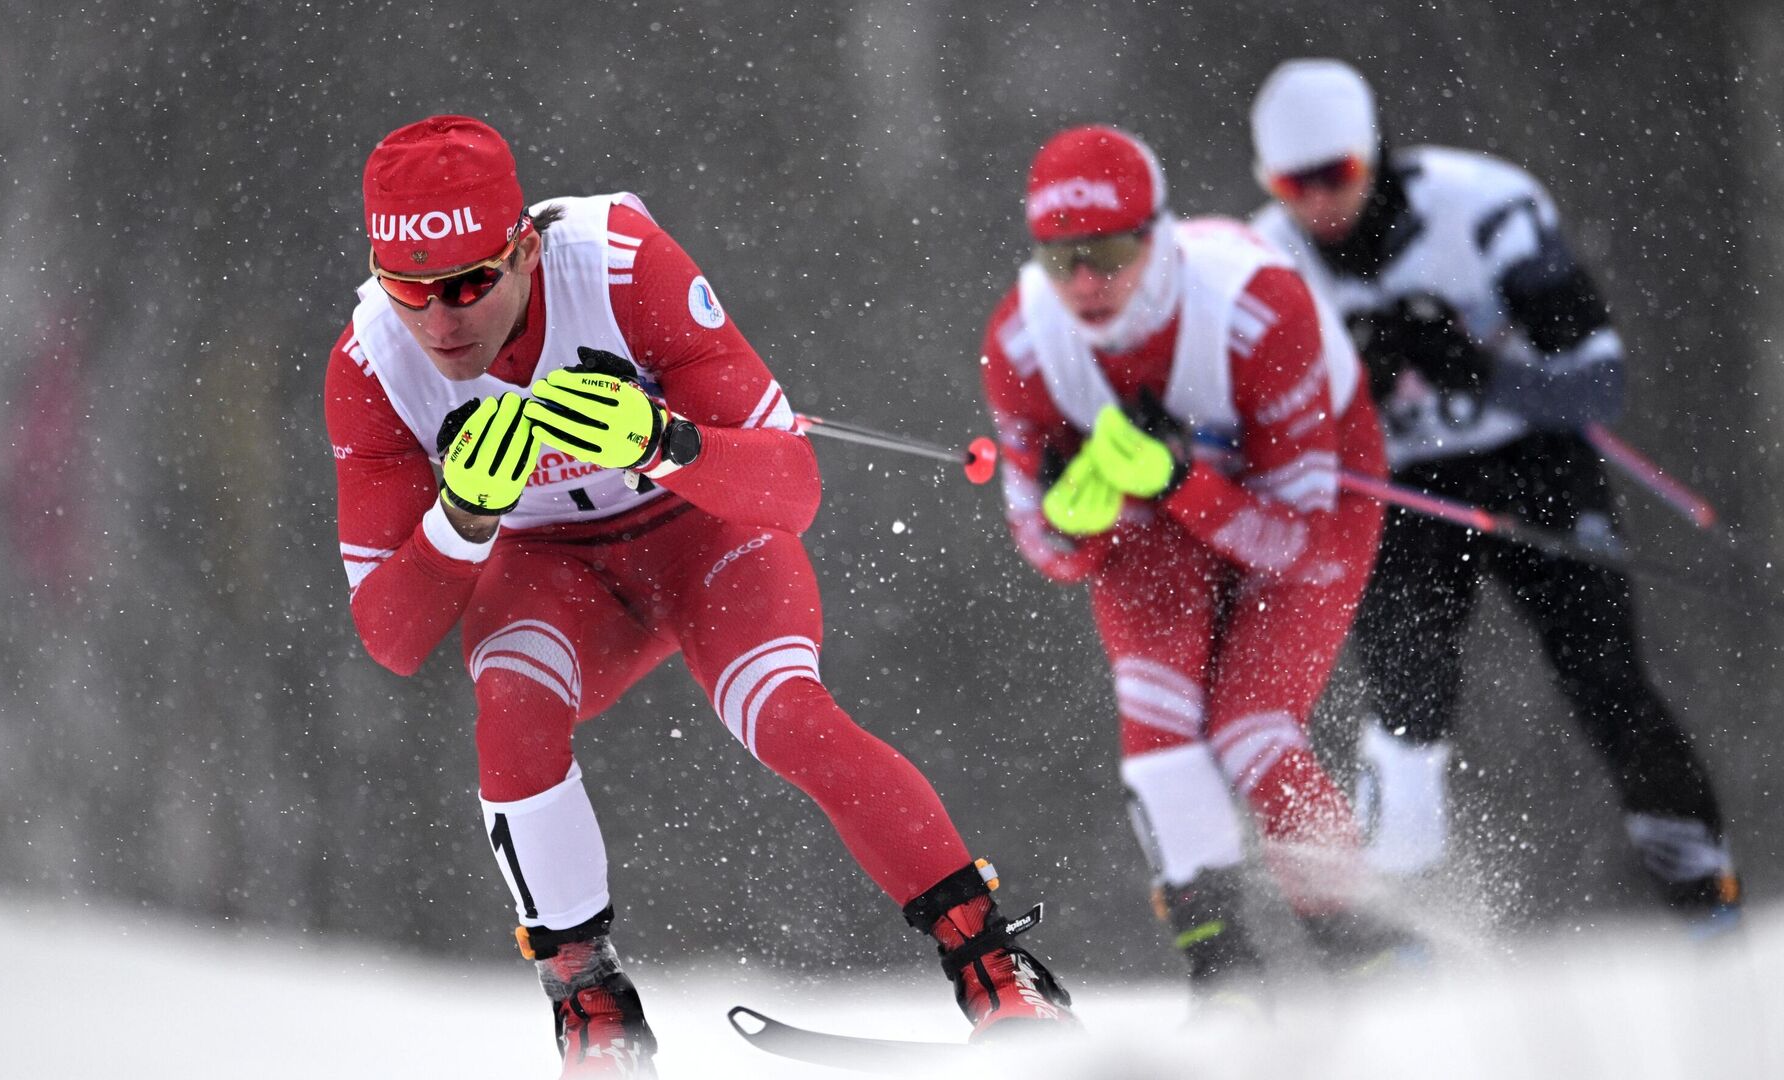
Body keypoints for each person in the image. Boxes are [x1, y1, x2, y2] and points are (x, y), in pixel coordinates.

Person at [326, 115, 1074, 1077]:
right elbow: (390, 638)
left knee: (789, 717)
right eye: (411, 292)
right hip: (556, 576)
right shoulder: (370, 366)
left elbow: (793, 488)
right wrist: (459, 519)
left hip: (704, 544)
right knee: (509, 718)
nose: (442, 322)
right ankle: (591, 1005)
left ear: (524, 247)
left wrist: (664, 442)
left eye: (470, 283)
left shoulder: (621, 267)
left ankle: (995, 966)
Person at [1247, 59, 1741, 926]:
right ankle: (1397, 915)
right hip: (1397, 489)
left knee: (1604, 676)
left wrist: (1478, 368)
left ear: (1374, 155)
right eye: (1295, 184)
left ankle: (1702, 887)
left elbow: (1599, 384)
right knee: (1407, 692)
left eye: (1339, 176)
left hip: (1532, 461)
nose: (1319, 201)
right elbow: (1258, 439)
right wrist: (1343, 389)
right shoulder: (1263, 262)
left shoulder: (1484, 206)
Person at [978, 124, 1407, 999]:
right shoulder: (1025, 342)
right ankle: (1228, 976)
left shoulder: (1256, 313)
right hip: (1157, 518)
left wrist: (1184, 482)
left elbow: (1307, 545)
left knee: (1251, 729)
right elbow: (1041, 541)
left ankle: (1370, 956)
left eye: (1108, 252)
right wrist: (1075, 526)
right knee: (1161, 737)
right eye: (1062, 261)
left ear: (1158, 235)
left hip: (1310, 500)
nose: (1087, 283)